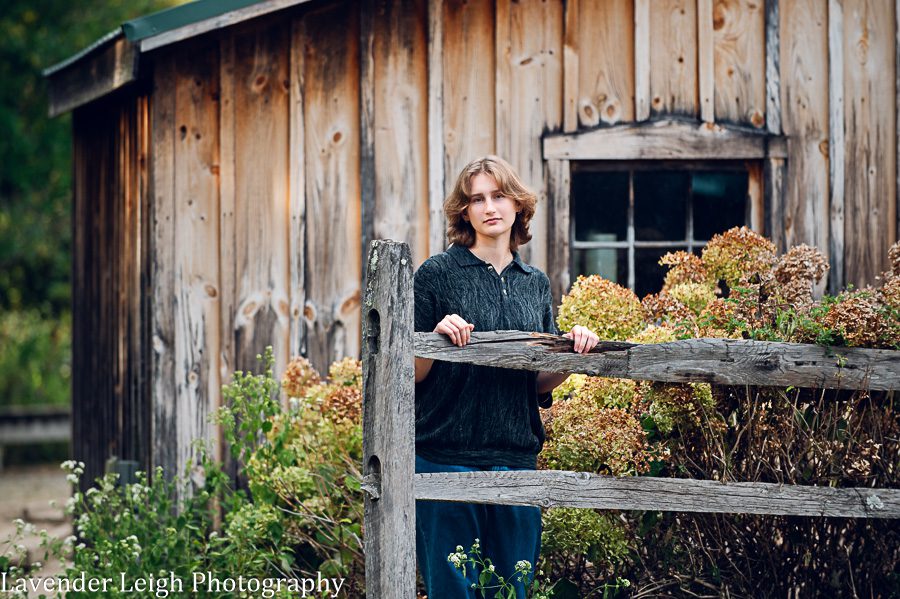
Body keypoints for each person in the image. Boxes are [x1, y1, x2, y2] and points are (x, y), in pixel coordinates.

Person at [414, 156, 599, 597]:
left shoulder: (534, 282)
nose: (489, 207)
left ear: (518, 204)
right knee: (453, 591)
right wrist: (435, 336)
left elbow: (534, 383)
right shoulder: (436, 274)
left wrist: (572, 352)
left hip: (515, 459)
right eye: (477, 199)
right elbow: (410, 374)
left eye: (498, 196)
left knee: (511, 590)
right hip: (444, 457)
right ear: (464, 212)